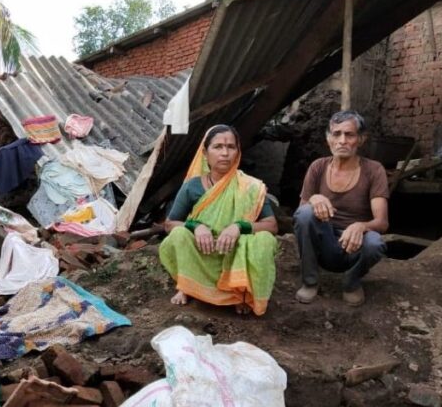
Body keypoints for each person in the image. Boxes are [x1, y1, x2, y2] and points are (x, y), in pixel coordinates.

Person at [159, 124, 279, 315]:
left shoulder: (250, 187)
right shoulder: (192, 186)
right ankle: (188, 286)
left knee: (265, 240)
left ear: (238, 152)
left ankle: (240, 292)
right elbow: (170, 224)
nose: (225, 153)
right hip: (202, 250)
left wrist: (239, 227)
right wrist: (196, 226)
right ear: (205, 153)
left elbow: (271, 225)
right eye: (218, 147)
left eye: (231, 147)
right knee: (179, 234)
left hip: (234, 252)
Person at [294, 111, 389, 306]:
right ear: (328, 139)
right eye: (336, 134)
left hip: (353, 246)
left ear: (361, 139)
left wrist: (360, 226)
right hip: (323, 243)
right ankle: (310, 282)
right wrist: (314, 198)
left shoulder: (374, 170)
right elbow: (300, 214)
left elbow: (382, 222)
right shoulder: (318, 167)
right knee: (305, 213)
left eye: (349, 135)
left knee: (374, 243)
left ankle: (351, 282)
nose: (342, 140)